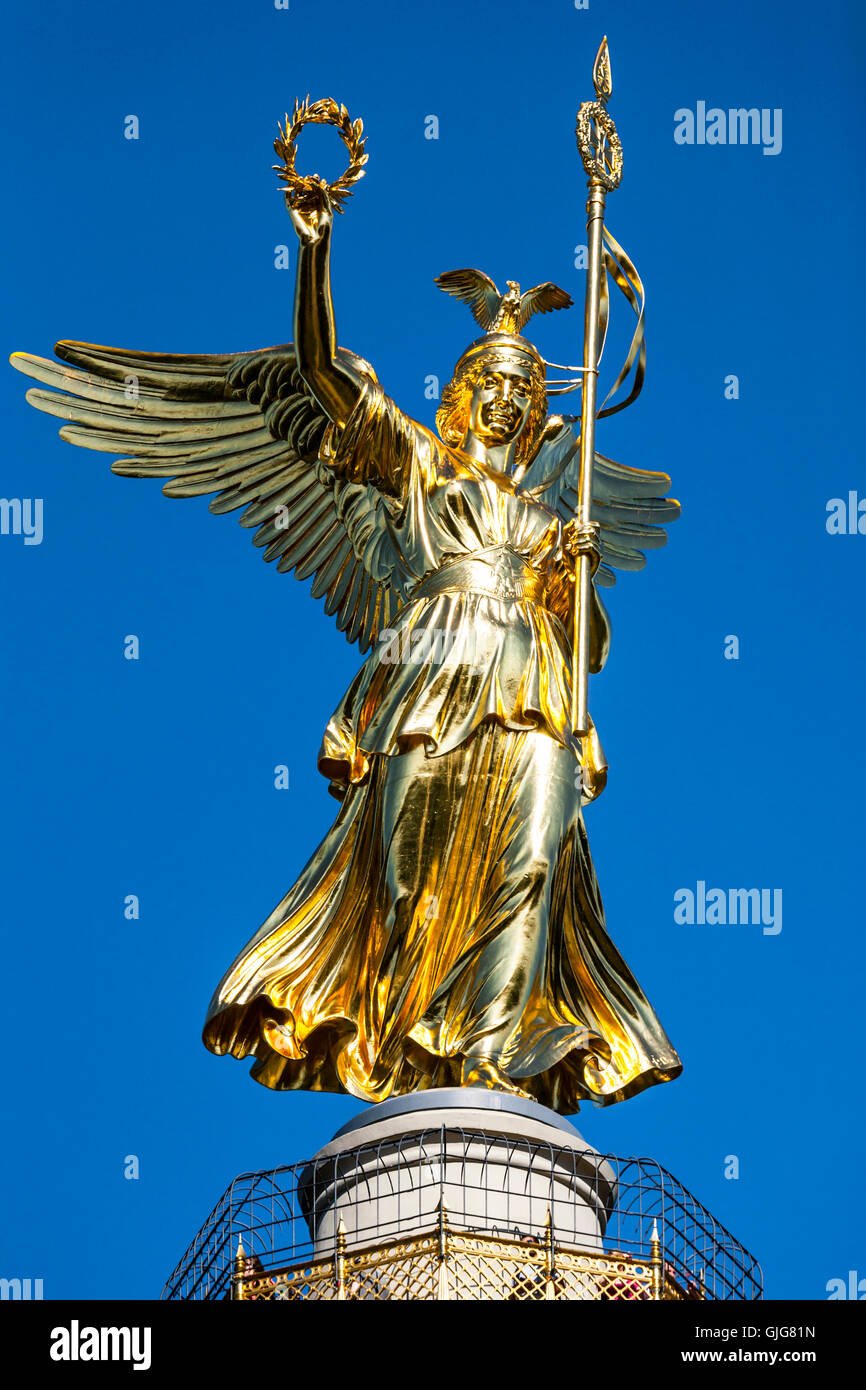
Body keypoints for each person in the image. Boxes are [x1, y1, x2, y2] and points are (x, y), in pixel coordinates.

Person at [201, 199, 682, 1113]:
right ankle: (407, 1054)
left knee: (536, 861)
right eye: (490, 382)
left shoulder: (553, 518)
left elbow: (586, 650)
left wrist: (574, 579)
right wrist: (314, 248)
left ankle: (494, 1056)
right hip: (429, 675)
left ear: (538, 413)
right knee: (406, 881)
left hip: (532, 688)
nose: (507, 398)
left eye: (524, 389)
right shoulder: (417, 465)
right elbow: (317, 374)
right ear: (460, 397)